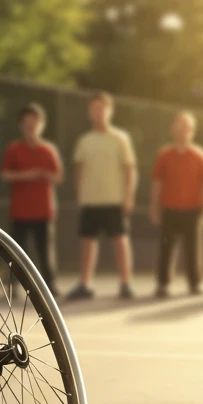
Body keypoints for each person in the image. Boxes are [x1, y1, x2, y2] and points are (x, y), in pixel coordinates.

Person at [67, 92, 137, 301]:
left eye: (101, 108)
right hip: (90, 201)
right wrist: (81, 195)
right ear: (90, 112)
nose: (98, 113)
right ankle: (85, 284)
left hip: (114, 200)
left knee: (121, 242)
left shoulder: (121, 139)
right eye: (94, 109)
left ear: (110, 111)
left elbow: (129, 169)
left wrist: (128, 196)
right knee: (88, 243)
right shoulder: (84, 141)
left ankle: (126, 284)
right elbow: (78, 170)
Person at [0, 103, 63, 295]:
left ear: (41, 125)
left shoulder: (48, 150)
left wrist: (44, 175)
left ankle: (50, 287)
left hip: (43, 210)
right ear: (21, 125)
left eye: (34, 123)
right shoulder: (14, 149)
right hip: (20, 211)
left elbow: (58, 176)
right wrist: (30, 174)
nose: (31, 127)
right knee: (17, 251)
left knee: (45, 251)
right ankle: (13, 286)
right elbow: (5, 174)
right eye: (27, 123)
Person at [150, 111, 203, 297]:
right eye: (179, 126)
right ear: (173, 129)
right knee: (166, 247)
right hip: (169, 209)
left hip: (193, 210)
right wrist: (154, 207)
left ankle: (195, 284)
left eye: (187, 127)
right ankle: (163, 284)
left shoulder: (200, 155)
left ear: (192, 131)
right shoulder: (164, 155)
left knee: (193, 249)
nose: (183, 130)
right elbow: (156, 182)